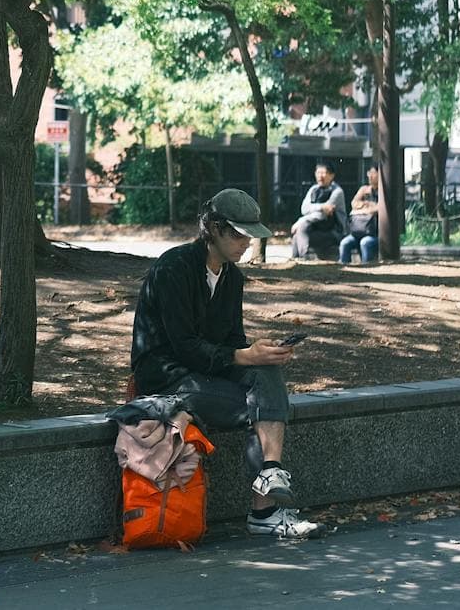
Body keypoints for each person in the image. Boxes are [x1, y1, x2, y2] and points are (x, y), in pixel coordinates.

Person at [132, 188, 320, 539]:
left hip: (205, 374)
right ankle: (265, 510)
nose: (245, 243)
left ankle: (271, 471)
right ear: (212, 229)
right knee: (261, 408)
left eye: (250, 235)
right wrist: (241, 356)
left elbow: (231, 339)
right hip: (166, 379)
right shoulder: (174, 268)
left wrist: (257, 351)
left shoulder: (232, 277)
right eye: (237, 234)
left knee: (266, 373)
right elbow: (184, 347)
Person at [291, 163, 346, 260]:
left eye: (324, 173)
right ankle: (296, 260)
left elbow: (322, 215)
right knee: (298, 234)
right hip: (317, 229)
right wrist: (321, 206)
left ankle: (303, 258)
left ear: (332, 175)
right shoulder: (314, 189)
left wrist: (300, 221)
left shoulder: (337, 192)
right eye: (318, 172)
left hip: (333, 232)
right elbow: (304, 209)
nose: (320, 176)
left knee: (301, 229)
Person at [339, 170, 381, 265]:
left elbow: (379, 208)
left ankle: (367, 268)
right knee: (344, 243)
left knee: (365, 243)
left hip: (374, 233)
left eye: (373, 174)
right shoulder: (364, 189)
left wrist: (361, 209)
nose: (370, 176)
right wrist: (369, 206)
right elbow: (354, 204)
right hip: (358, 232)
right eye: (369, 173)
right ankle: (344, 268)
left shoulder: (383, 192)